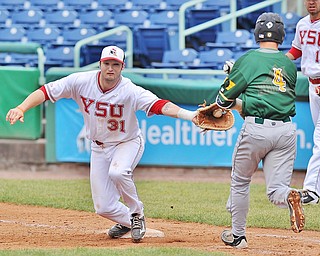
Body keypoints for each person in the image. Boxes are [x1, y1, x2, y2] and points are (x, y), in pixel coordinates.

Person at [6, 45, 198, 243]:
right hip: (98, 147)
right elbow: (46, 91)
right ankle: (126, 222)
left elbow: (159, 105)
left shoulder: (130, 90)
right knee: (103, 207)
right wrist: (21, 108)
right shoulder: (81, 81)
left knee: (118, 172)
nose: (110, 68)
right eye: (107, 63)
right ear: (100, 64)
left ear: (122, 67)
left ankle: (136, 215)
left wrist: (189, 115)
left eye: (116, 64)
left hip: (127, 142)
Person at [215, 12, 305, 249]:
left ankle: (238, 236)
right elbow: (268, 98)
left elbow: (223, 100)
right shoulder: (288, 64)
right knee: (276, 190)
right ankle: (290, 196)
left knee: (240, 182)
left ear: (256, 33)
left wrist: (233, 75)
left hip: (257, 129)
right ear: (281, 34)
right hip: (285, 131)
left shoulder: (249, 59)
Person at [286, 0, 320, 205]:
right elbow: (296, 51)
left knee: (319, 137)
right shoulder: (302, 24)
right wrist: (278, 61)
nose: (311, 2)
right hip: (311, 84)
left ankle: (312, 190)